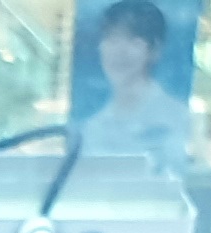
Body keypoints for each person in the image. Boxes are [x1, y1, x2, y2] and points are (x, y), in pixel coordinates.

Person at [76, 0, 195, 179]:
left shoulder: (177, 118)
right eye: (112, 39)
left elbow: (177, 181)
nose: (120, 51)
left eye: (134, 41)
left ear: (155, 50)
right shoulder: (92, 127)